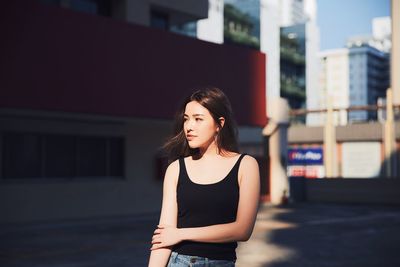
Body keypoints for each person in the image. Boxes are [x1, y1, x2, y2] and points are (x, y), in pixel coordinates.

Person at [148, 87, 260, 267]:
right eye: (186, 119)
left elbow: (242, 230)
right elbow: (164, 235)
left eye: (198, 119)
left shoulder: (246, 165)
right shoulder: (176, 169)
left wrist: (181, 233)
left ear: (219, 124)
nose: (189, 126)